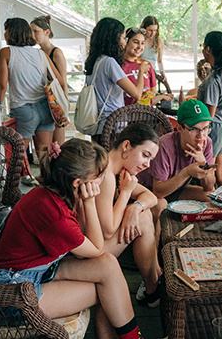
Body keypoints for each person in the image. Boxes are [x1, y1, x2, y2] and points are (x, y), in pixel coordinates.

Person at [0, 139, 144, 339]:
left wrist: (85, 202)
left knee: (108, 266)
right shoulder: (54, 213)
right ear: (78, 183)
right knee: (109, 290)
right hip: (11, 294)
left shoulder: (56, 193)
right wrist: (90, 201)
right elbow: (96, 248)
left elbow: (89, 243)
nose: (102, 181)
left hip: (37, 269)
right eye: (99, 176)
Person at [94, 123, 162, 308]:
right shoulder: (106, 175)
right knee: (144, 218)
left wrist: (134, 208)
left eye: (151, 159)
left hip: (96, 245)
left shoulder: (118, 172)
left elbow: (151, 197)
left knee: (143, 212)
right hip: (88, 252)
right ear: (126, 146)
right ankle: (152, 287)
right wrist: (126, 194)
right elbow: (107, 232)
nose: (147, 164)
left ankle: (152, 284)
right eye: (145, 155)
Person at [0, 18, 67, 182]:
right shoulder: (40, 53)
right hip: (45, 108)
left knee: (18, 154)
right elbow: (59, 80)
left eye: (6, 29)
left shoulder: (6, 52)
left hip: (23, 109)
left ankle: (14, 190)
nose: (4, 33)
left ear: (12, 32)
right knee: (44, 155)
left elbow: (2, 85)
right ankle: (47, 184)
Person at [138, 100, 217, 217]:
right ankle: (163, 235)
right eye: (194, 129)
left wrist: (203, 163)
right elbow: (158, 192)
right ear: (179, 128)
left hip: (178, 190)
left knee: (212, 197)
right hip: (147, 191)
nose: (201, 136)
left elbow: (209, 187)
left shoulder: (207, 143)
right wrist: (187, 172)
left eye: (205, 128)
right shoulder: (164, 145)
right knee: (161, 205)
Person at [84, 17, 145, 141]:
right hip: (112, 126)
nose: (124, 42)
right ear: (114, 39)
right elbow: (137, 94)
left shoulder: (95, 61)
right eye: (123, 38)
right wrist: (141, 71)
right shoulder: (109, 63)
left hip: (97, 124)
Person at [198, 31, 222, 186]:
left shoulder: (214, 80)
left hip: (213, 129)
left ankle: (212, 207)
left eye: (203, 46)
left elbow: (208, 115)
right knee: (221, 174)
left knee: (208, 175)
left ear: (208, 49)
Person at [31, 15, 70, 145]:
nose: (33, 35)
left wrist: (64, 104)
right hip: (43, 100)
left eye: (36, 31)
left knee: (58, 144)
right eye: (31, 31)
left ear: (46, 32)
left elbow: (63, 80)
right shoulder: (36, 53)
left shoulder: (56, 52)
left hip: (55, 101)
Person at [121, 28, 173, 106]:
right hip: (125, 114)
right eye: (136, 42)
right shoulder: (118, 65)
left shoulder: (146, 64)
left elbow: (151, 96)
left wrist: (161, 97)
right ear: (126, 42)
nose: (139, 47)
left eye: (142, 43)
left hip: (145, 114)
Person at [140, 16, 166, 82]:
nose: (152, 33)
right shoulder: (139, 39)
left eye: (155, 30)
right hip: (139, 73)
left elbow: (159, 61)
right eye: (150, 30)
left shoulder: (159, 41)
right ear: (144, 28)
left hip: (152, 74)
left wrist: (162, 72)